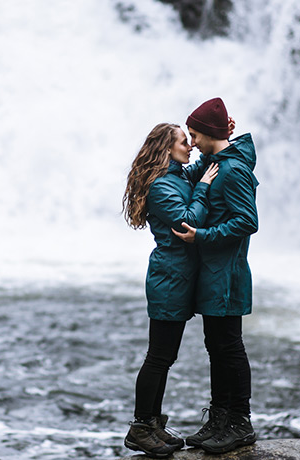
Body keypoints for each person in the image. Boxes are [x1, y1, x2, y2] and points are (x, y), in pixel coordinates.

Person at [121, 122, 220, 458]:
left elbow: (199, 166)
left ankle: (151, 423)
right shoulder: (162, 186)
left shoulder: (175, 175)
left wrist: (223, 137)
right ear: (166, 148)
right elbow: (186, 222)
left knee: (165, 356)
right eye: (183, 141)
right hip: (169, 278)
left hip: (177, 277)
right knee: (159, 357)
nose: (190, 145)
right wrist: (204, 187)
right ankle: (139, 427)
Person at [172, 97, 259, 455]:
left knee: (229, 347)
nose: (190, 141)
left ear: (208, 133)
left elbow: (248, 221)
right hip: (213, 272)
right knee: (216, 347)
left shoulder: (234, 169)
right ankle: (220, 418)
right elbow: (199, 170)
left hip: (228, 275)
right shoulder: (218, 163)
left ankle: (240, 421)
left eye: (193, 134)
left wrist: (201, 236)